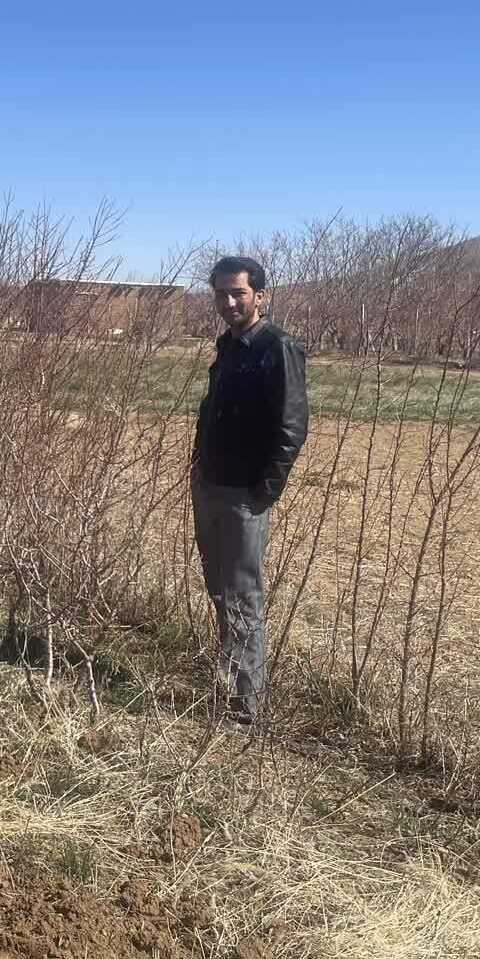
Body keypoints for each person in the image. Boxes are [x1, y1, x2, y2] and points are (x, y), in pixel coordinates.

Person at [191, 255, 308, 736]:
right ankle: (228, 686)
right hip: (210, 486)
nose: (228, 301)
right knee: (220, 590)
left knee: (242, 597)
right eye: (221, 292)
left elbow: (291, 426)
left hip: (244, 495)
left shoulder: (277, 347)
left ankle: (244, 712)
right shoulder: (230, 346)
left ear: (260, 296)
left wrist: (265, 491)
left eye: (237, 292)